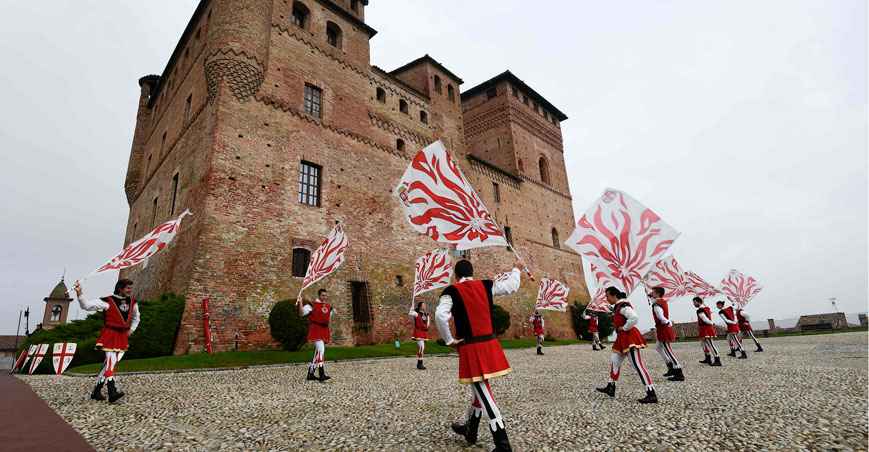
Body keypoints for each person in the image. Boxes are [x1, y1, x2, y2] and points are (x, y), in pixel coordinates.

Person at [436, 259, 521, 452]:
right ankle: (470, 429)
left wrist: (449, 340)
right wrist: (516, 268)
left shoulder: (452, 291)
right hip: (490, 344)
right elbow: (512, 286)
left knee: (483, 393)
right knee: (479, 391)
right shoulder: (486, 285)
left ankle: (502, 443)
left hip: (471, 348)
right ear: (472, 272)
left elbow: (440, 316)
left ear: (456, 275)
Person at [74, 279, 140, 403]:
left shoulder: (133, 302)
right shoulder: (107, 301)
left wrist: (131, 330)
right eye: (128, 288)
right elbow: (86, 306)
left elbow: (137, 318)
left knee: (110, 364)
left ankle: (96, 391)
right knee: (110, 363)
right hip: (110, 334)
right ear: (120, 288)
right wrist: (79, 293)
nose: (130, 291)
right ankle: (112, 391)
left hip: (123, 336)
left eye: (131, 288)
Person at [595, 287, 658, 404]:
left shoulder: (623, 306)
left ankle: (651, 392)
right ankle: (611, 386)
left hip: (629, 338)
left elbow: (634, 318)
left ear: (614, 296)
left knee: (637, 365)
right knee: (615, 360)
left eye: (607, 296)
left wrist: (624, 328)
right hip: (622, 338)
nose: (607, 299)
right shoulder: (619, 307)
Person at [649, 287, 685, 381]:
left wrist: (668, 322)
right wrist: (651, 297)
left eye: (653, 292)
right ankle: (670, 367)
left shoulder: (656, 304)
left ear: (657, 293)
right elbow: (654, 300)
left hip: (663, 328)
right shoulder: (662, 301)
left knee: (668, 350)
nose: (651, 293)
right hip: (663, 328)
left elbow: (661, 317)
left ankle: (678, 371)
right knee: (658, 347)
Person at [299, 288, 334, 382]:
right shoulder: (312, 305)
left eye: (326, 295)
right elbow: (301, 313)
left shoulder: (328, 306)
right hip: (316, 330)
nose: (325, 297)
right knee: (321, 350)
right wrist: (300, 302)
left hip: (324, 330)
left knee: (317, 353)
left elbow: (328, 318)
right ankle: (321, 374)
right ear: (319, 295)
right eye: (323, 295)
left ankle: (310, 374)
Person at [693, 297, 722, 366]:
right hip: (704, 328)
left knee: (711, 344)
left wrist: (712, 323)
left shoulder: (700, 310)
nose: (693, 304)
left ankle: (717, 360)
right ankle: (707, 358)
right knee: (703, 344)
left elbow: (704, 319)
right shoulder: (706, 308)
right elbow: (704, 306)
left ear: (698, 302)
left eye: (694, 302)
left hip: (706, 328)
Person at [408, 301, 431, 370]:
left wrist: (427, 327)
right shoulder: (417, 313)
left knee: (422, 347)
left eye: (425, 305)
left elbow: (428, 322)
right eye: (423, 305)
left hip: (423, 332)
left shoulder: (426, 314)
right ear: (420, 306)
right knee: (421, 347)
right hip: (418, 332)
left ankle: (420, 363)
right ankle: (419, 363)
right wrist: (411, 308)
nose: (425, 306)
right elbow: (410, 313)